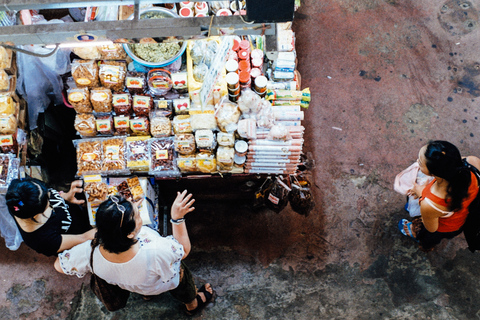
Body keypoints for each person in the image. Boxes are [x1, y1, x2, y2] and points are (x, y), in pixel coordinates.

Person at [54, 190, 215, 315]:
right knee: (181, 277)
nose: (139, 213)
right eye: (137, 215)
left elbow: (58, 266)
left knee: (144, 287)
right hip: (161, 283)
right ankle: (192, 305)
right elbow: (183, 250)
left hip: (133, 285)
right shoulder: (156, 250)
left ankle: (147, 296)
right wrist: (177, 219)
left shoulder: (89, 251)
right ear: (130, 234)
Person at [399, 140, 480, 251]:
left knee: (428, 236)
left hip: (446, 227)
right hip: (463, 218)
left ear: (433, 173)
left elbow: (432, 228)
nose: (417, 162)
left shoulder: (430, 203)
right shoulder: (472, 162)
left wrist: (421, 194)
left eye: (421, 163)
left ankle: (421, 240)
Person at [5, 178, 95, 256]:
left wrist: (66, 197)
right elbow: (84, 238)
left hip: (78, 214)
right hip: (81, 233)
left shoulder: (16, 192)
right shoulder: (43, 241)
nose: (50, 193)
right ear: (38, 213)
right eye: (48, 198)